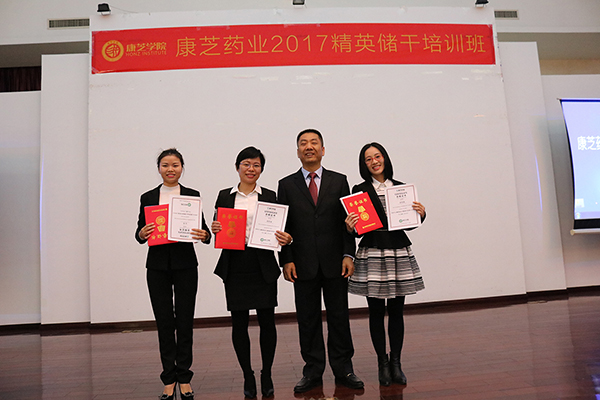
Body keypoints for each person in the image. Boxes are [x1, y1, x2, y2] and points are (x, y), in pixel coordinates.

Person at [277, 129, 364, 393]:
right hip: (302, 264)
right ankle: (313, 371)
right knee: (307, 319)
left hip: (335, 262)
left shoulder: (340, 181)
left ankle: (344, 369)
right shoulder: (286, 184)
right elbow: (283, 227)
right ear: (297, 152)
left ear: (323, 150)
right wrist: (286, 260)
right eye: (303, 143)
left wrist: (348, 254)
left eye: (314, 142)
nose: (309, 147)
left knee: (339, 317)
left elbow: (347, 223)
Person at [211, 146, 292, 399]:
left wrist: (286, 238)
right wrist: (215, 227)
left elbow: (282, 229)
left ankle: (267, 373)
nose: (251, 169)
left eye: (256, 165)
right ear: (237, 167)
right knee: (239, 324)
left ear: (261, 170)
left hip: (262, 264)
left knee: (268, 322)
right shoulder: (224, 196)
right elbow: (218, 226)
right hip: (235, 264)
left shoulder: (270, 196)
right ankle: (247, 374)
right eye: (246, 164)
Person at [345, 142, 426, 386]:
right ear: (364, 164)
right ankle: (382, 362)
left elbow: (408, 224)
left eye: (377, 156)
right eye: (368, 159)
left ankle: (396, 363)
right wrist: (349, 227)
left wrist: (421, 214)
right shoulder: (359, 190)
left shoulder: (401, 188)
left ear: (385, 158)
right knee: (376, 311)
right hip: (372, 252)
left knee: (397, 310)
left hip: (398, 251)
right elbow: (358, 230)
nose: (374, 161)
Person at [135, 148, 211, 400]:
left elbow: (204, 231)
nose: (170, 169)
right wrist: (142, 233)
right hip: (157, 267)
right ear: (159, 168)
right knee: (164, 322)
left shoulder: (192, 195)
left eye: (175, 165)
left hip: (186, 265)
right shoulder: (148, 197)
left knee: (185, 321)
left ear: (182, 168)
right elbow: (139, 232)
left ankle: (185, 377)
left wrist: (205, 234)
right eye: (165, 165)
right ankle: (169, 378)